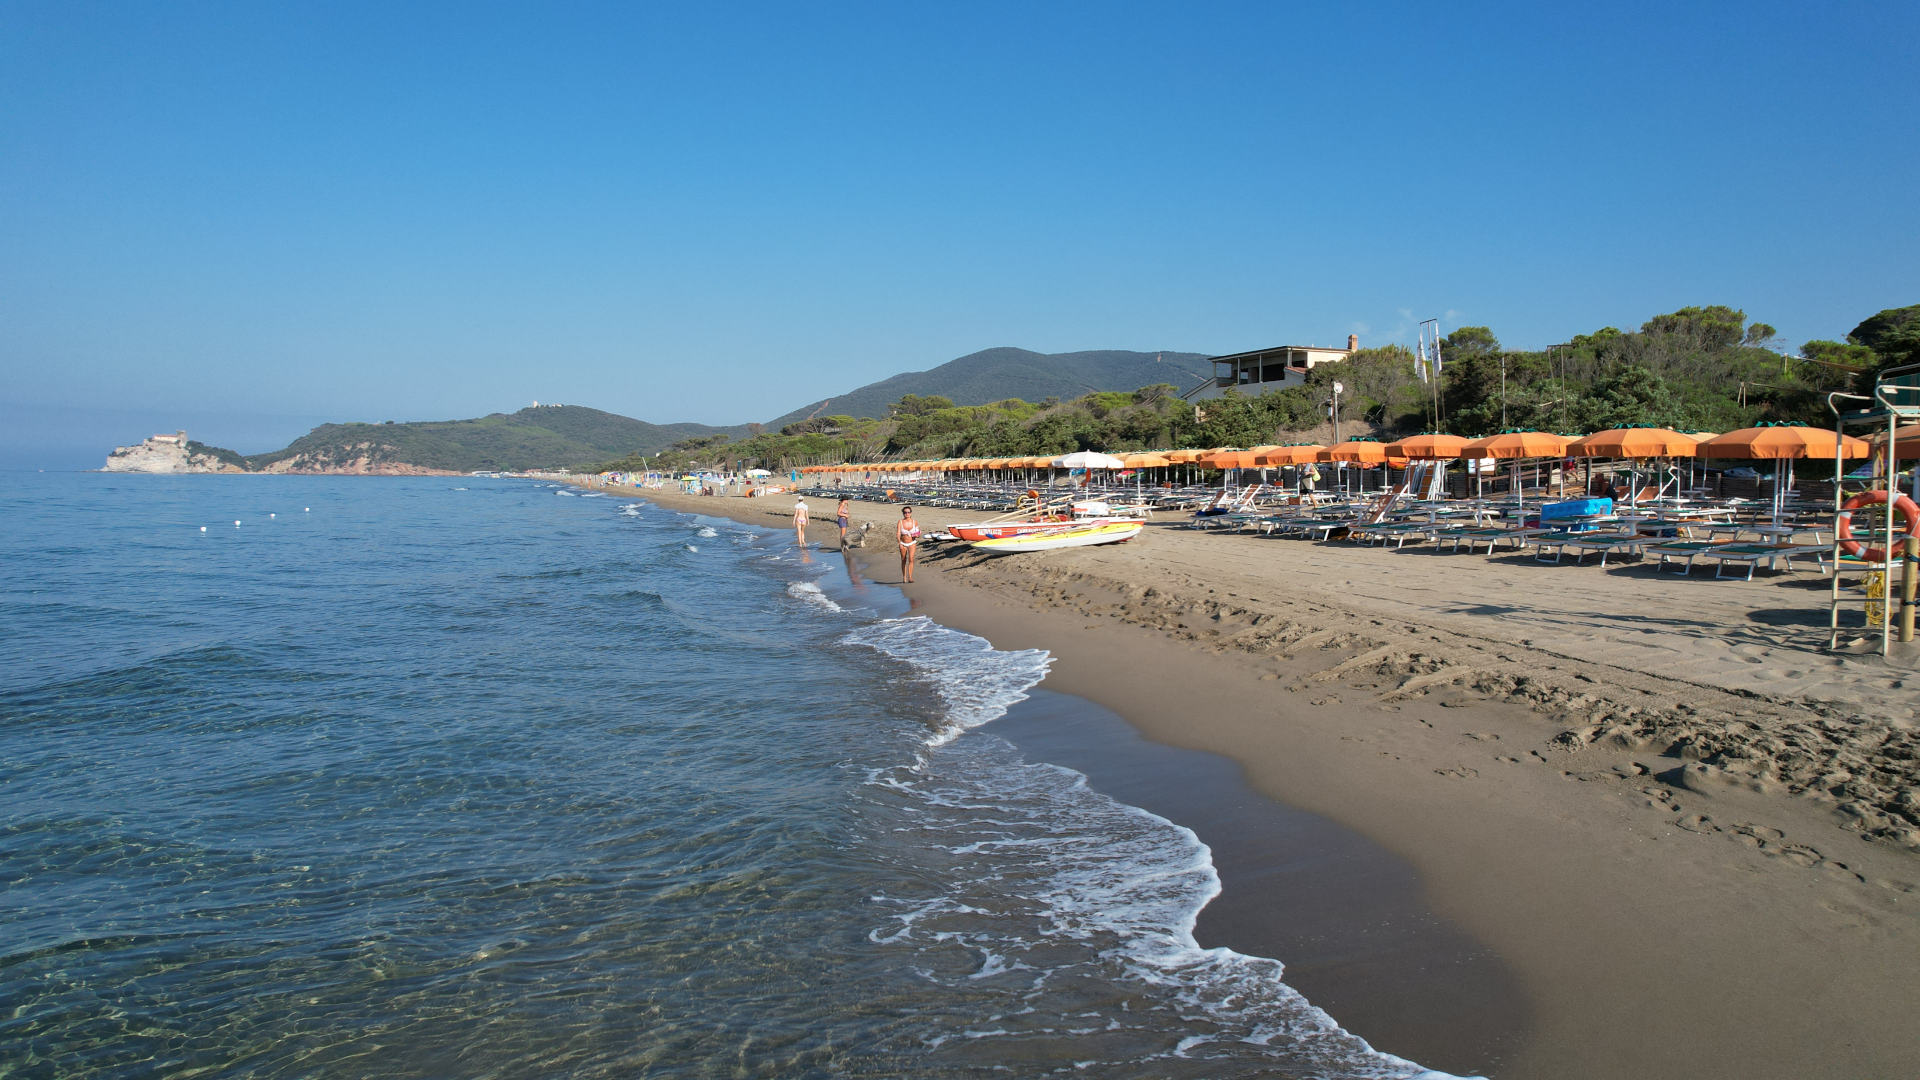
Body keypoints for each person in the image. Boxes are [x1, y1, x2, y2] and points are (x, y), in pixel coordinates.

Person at [896, 505, 921, 583]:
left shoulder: (915, 522)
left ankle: (910, 577)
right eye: (905, 512)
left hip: (912, 542)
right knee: (903, 560)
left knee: (911, 559)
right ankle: (904, 577)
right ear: (903, 513)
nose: (907, 514)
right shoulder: (900, 522)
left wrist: (917, 534)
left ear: (911, 513)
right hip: (903, 543)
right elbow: (898, 533)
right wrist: (899, 543)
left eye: (908, 512)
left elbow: (918, 532)